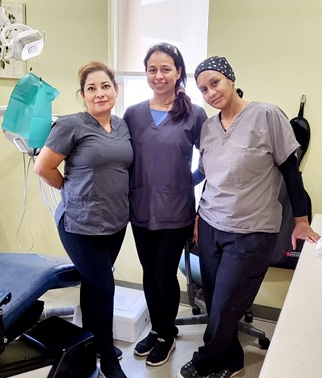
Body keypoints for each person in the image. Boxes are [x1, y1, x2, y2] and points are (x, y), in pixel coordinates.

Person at [178, 56, 321, 378]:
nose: (210, 92)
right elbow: (207, 175)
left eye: (215, 83)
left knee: (227, 306)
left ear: (230, 79)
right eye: (203, 89)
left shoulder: (266, 115)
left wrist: (301, 221)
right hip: (212, 226)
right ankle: (233, 360)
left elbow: (290, 172)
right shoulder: (208, 128)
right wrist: (174, 190)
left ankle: (204, 361)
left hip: (252, 232)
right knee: (218, 304)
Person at [34, 61, 132, 378]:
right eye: (92, 88)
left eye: (105, 86)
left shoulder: (121, 125)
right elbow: (43, 167)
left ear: (116, 90)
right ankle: (107, 355)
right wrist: (69, 188)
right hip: (80, 222)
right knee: (103, 286)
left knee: (94, 288)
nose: (99, 93)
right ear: (82, 95)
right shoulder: (71, 125)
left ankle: (92, 344)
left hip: (116, 222)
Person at [122, 43, 208, 367]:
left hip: (176, 212)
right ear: (146, 73)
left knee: (164, 273)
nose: (159, 75)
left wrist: (190, 180)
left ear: (178, 72)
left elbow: (212, 158)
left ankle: (166, 334)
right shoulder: (132, 114)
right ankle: (157, 330)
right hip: (140, 209)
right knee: (148, 272)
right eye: (152, 69)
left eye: (166, 69)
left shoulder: (194, 114)